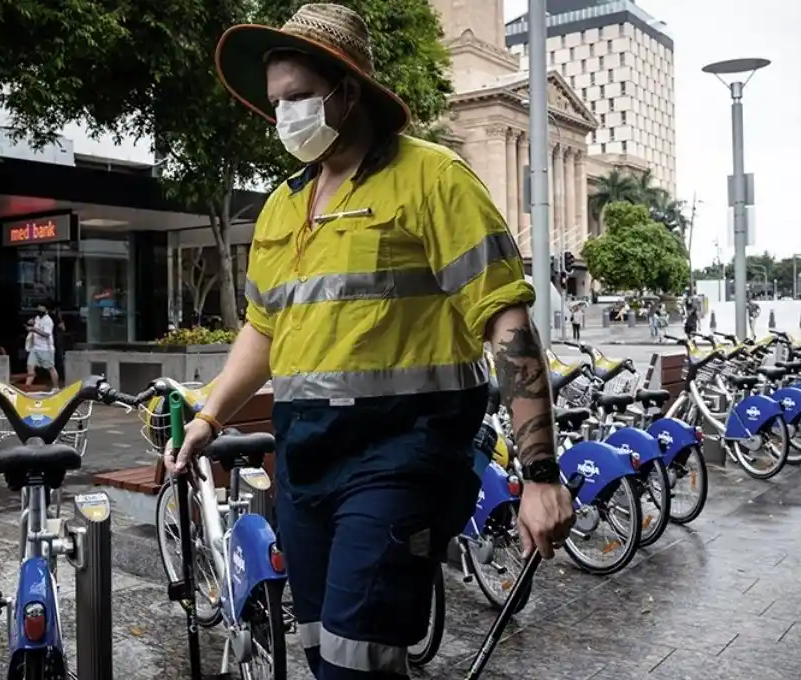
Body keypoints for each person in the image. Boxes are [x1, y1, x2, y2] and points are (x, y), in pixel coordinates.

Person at [167, 5, 574, 678]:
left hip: (402, 452)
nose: (285, 116)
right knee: (320, 648)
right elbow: (263, 328)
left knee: (356, 660)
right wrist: (209, 416)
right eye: (277, 103)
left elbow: (507, 323)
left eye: (300, 96)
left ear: (349, 91)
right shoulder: (283, 204)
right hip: (304, 460)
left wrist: (540, 475)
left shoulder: (434, 178)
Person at [25, 301, 58, 390]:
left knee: (50, 368)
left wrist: (34, 330)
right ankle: (27, 388)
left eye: (41, 309)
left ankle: (56, 387)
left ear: (46, 310)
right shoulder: (37, 318)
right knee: (30, 366)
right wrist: (31, 323)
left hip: (46, 349)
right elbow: (34, 323)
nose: (39, 310)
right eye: (38, 308)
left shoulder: (48, 321)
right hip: (35, 348)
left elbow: (46, 334)